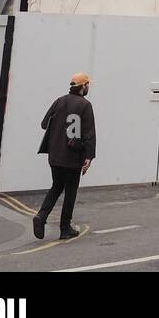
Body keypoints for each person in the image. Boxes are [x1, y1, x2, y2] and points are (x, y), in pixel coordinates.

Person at [34, 72, 96, 241]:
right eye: (88, 84)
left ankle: (41, 216)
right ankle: (65, 228)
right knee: (70, 192)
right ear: (83, 86)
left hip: (55, 155)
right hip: (72, 157)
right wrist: (88, 157)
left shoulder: (59, 101)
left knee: (56, 187)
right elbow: (89, 134)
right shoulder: (85, 105)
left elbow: (44, 124)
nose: (88, 87)